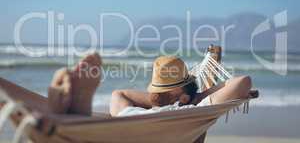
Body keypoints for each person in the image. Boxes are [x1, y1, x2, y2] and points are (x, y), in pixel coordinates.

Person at [48, 53, 252, 117]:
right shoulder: (196, 109)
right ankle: (79, 109)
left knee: (114, 106)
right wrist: (198, 95)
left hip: (132, 124)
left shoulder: (192, 109)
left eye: (160, 89)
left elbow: (118, 94)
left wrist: (193, 98)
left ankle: (80, 109)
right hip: (147, 124)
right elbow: (242, 83)